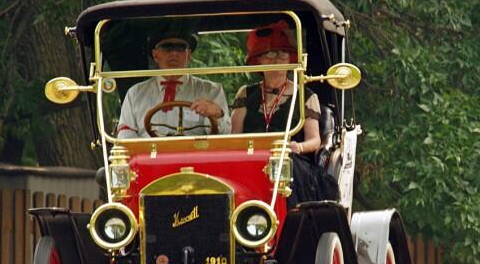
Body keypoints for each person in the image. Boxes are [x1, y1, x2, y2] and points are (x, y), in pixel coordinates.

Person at [231, 21, 336, 204]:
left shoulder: (306, 96)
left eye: (283, 53)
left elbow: (315, 140)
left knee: (287, 167)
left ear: (291, 60)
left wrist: (298, 147)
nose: (277, 59)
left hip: (290, 160)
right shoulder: (245, 93)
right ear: (258, 60)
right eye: (269, 54)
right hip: (252, 158)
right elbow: (234, 137)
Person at [116, 27, 230, 138]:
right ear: (155, 55)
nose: (174, 53)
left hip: (194, 154)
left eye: (181, 47)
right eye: (167, 47)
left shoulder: (211, 90)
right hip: (150, 155)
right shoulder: (135, 93)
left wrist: (217, 114)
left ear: (188, 55)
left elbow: (224, 137)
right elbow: (125, 135)